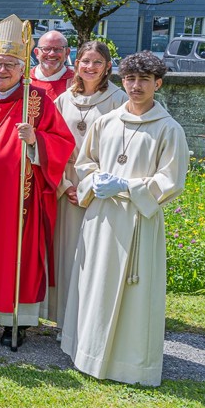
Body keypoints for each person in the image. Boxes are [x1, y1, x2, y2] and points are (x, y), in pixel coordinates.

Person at [61, 52, 188, 387]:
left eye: (144, 80)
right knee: (95, 284)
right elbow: (85, 163)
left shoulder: (168, 128)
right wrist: (94, 181)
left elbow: (171, 179)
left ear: (157, 83)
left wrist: (128, 186)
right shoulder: (107, 121)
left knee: (135, 292)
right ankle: (86, 351)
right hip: (102, 217)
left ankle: (129, 364)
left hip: (137, 221)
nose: (135, 86)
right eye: (130, 79)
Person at [0, 15, 74, 348]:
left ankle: (14, 321)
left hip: (19, 201)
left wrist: (36, 140)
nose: (2, 70)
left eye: (9, 64)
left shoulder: (36, 101)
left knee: (13, 258)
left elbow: (63, 142)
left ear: (22, 67)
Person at [44, 41, 128, 330]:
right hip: (65, 183)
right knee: (67, 255)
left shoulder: (119, 100)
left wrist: (91, 186)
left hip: (99, 186)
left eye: (97, 62)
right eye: (85, 61)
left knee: (95, 253)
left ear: (107, 67)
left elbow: (122, 148)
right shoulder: (63, 100)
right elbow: (48, 143)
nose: (90, 67)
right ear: (76, 64)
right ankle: (64, 318)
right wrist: (64, 185)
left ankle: (91, 319)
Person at [30, 30, 74, 99]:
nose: (52, 54)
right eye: (46, 49)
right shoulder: (23, 80)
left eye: (58, 49)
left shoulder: (77, 82)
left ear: (67, 53)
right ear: (36, 53)